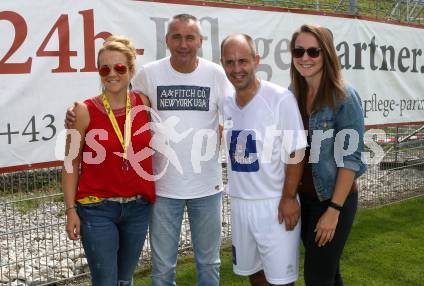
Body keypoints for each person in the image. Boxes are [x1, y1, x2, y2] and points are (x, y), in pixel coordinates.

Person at [66, 14, 232, 286]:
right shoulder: (149, 76)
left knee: (209, 264)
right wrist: (74, 117)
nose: (183, 44)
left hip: (203, 188)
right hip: (162, 189)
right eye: (176, 37)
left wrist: (223, 128)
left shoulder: (214, 74)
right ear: (166, 40)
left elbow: (234, 112)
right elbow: (117, 106)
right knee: (162, 269)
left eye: (190, 37)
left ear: (200, 41)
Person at [62, 35, 155, 286]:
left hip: (137, 209)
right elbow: (70, 163)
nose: (112, 73)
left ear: (131, 70)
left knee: (125, 280)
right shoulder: (83, 111)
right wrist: (71, 210)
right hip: (96, 209)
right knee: (105, 281)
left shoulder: (144, 104)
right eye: (105, 68)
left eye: (120, 67)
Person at [221, 34, 307, 286]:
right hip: (240, 204)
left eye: (243, 61)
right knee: (255, 275)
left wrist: (289, 197)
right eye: (229, 62)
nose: (237, 69)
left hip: (274, 205)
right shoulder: (226, 103)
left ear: (256, 60)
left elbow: (296, 151)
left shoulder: (279, 98)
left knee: (281, 280)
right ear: (222, 64)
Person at [289, 24, 366, 286]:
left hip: (333, 201)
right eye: (299, 51)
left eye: (313, 51)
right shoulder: (292, 94)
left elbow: (350, 160)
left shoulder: (344, 97)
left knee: (317, 278)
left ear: (328, 54)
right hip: (304, 200)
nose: (305, 58)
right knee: (329, 274)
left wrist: (333, 210)